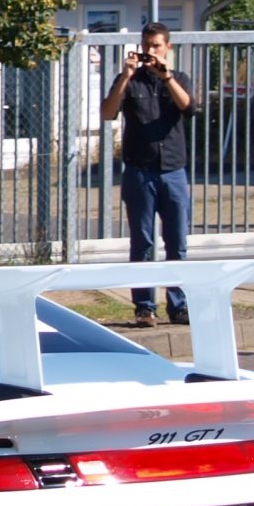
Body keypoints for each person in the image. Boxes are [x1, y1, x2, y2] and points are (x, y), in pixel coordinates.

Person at [100, 22, 198, 327]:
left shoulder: (178, 78)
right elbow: (107, 113)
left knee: (176, 242)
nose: (150, 51)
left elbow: (190, 107)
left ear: (167, 47)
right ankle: (144, 307)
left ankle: (178, 305)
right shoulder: (130, 80)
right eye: (147, 46)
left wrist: (166, 76)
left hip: (173, 171)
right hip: (140, 172)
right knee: (142, 242)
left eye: (156, 46)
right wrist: (126, 76)